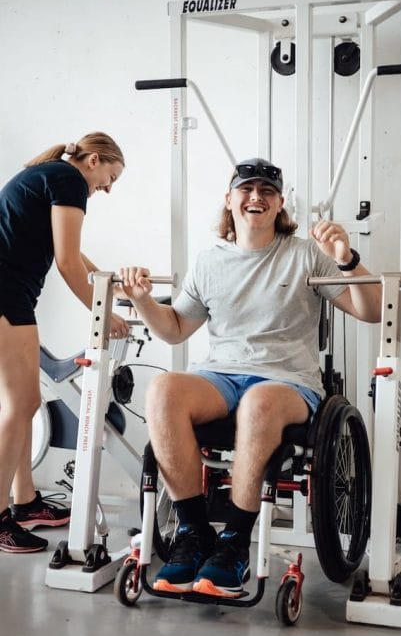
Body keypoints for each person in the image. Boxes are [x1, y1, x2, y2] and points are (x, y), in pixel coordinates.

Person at [120, 157, 382, 598]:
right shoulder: (209, 261)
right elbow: (175, 328)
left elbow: (371, 312)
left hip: (287, 382)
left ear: (279, 204)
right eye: (246, 189)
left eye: (266, 191)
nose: (255, 197)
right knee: (164, 389)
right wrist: (143, 301)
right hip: (221, 376)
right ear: (229, 199)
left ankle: (236, 543)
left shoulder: (304, 255)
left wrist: (347, 259)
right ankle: (195, 532)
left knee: (260, 401)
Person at [0, 131, 130, 554]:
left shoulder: (51, 175)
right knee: (22, 406)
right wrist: (104, 314)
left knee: (21, 406)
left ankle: (25, 504)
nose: (108, 189)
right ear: (93, 161)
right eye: (110, 177)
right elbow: (67, 261)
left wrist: (113, 288)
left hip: (11, 293)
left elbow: (75, 255)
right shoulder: (69, 179)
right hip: (6, 294)